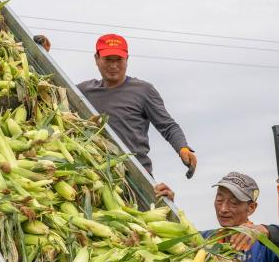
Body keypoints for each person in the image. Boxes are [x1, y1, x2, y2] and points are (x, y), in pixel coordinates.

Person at [76, 34, 197, 200]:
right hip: (95, 177)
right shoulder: (83, 91)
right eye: (107, 59)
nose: (113, 65)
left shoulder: (143, 90)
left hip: (135, 178)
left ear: (127, 59)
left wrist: (182, 148)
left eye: (118, 59)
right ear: (96, 59)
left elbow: (168, 126)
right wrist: (42, 52)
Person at [204, 172, 279, 262]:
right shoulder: (206, 240)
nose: (223, 209)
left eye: (233, 203)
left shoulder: (264, 245)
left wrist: (266, 231)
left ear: (251, 208)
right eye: (219, 199)